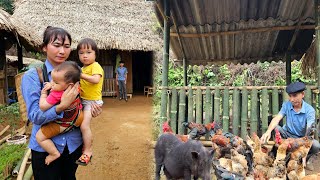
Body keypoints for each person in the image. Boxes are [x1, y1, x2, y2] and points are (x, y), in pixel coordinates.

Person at [21, 26, 102, 180]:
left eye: (66, 46)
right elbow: (35, 117)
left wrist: (92, 109)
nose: (62, 51)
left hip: (73, 145)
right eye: (56, 45)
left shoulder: (76, 71)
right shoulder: (33, 76)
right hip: (46, 148)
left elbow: (84, 100)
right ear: (44, 47)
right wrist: (61, 107)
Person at [260, 81, 320, 170]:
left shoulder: (309, 110)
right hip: (288, 135)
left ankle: (305, 160)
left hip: (302, 138)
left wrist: (304, 148)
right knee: (276, 128)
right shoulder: (287, 104)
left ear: (302, 94)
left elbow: (309, 130)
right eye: (290, 96)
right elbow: (277, 118)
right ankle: (279, 156)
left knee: (316, 145)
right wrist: (268, 131)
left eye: (295, 95)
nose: (291, 99)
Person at [36, 61, 83, 165]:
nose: (52, 83)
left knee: (39, 137)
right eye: (52, 80)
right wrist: (53, 84)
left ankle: (54, 153)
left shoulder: (56, 94)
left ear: (69, 85)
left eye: (56, 82)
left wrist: (44, 94)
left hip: (63, 123)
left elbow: (43, 107)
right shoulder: (76, 87)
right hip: (78, 117)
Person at [77, 38, 104, 165]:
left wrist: (80, 75)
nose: (84, 56)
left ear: (95, 54)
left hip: (92, 102)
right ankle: (84, 145)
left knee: (84, 126)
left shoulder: (95, 66)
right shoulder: (82, 69)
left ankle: (88, 151)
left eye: (88, 52)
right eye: (81, 53)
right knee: (79, 124)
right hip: (83, 100)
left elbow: (95, 80)